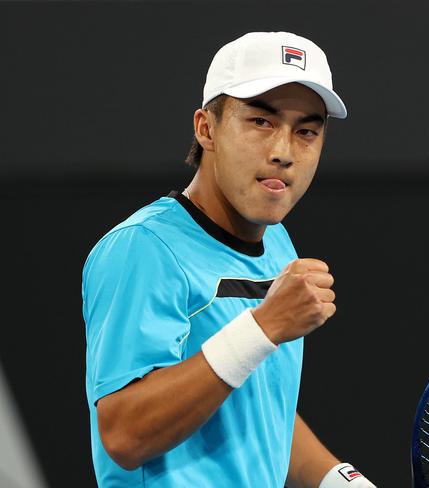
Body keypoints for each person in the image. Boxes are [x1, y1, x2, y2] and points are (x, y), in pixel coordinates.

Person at [82, 31, 377, 487]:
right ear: (206, 129)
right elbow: (123, 434)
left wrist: (341, 481)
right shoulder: (142, 249)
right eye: (261, 121)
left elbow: (251, 400)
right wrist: (264, 326)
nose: (283, 151)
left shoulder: (278, 244)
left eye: (306, 131)